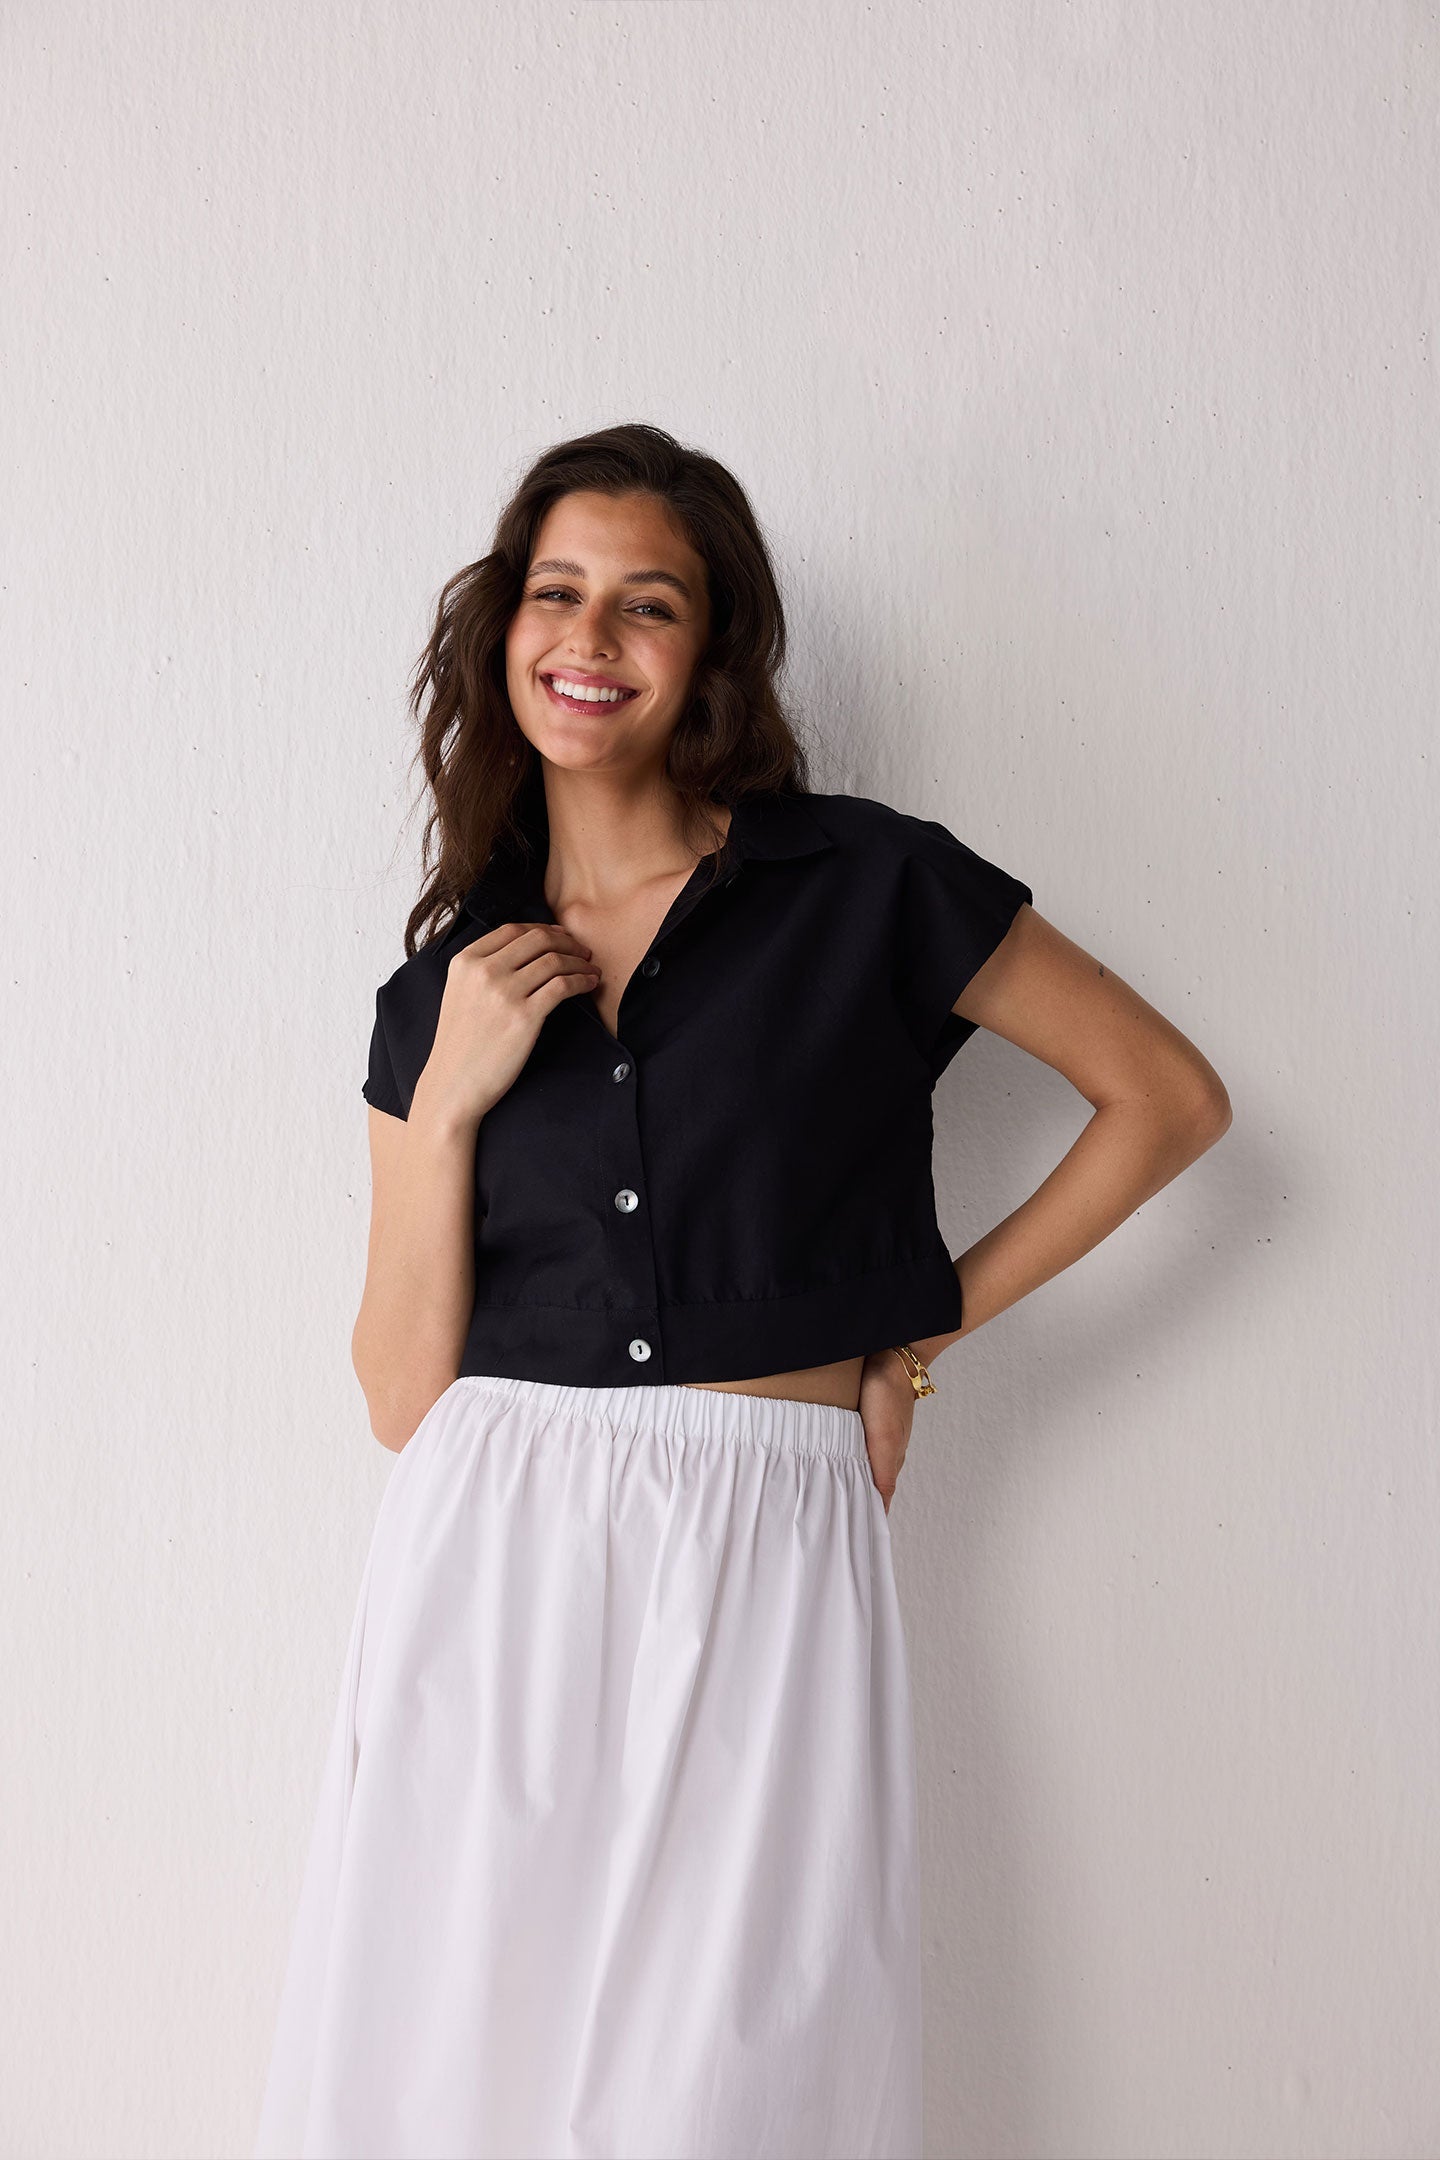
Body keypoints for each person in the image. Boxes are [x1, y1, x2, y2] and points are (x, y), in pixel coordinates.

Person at [253, 424, 1231, 2160]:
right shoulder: (445, 988)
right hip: (492, 1548)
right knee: (456, 2059)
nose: (591, 638)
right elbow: (403, 1393)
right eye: (557, 592)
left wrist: (918, 1335)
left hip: (767, 1534)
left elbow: (1166, 1099)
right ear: (501, 632)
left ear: (710, 654)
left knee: (741, 2078)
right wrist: (461, 1085)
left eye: (649, 604)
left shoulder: (866, 886)